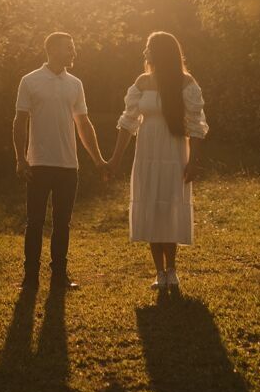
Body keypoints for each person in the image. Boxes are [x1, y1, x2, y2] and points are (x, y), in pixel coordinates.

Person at [104, 31, 209, 292]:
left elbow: (196, 125)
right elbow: (127, 123)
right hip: (147, 152)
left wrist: (193, 161)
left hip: (173, 151)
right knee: (151, 204)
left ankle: (172, 270)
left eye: (149, 48)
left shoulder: (185, 82)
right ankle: (159, 272)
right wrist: (115, 159)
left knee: (169, 205)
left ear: (160, 51)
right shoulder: (141, 82)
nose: (145, 53)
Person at [13, 31, 106, 293]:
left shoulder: (75, 84)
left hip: (68, 165)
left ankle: (59, 276)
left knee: (62, 223)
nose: (73, 52)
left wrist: (98, 159)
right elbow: (20, 122)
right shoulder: (30, 81)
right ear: (52, 49)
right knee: (35, 222)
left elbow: (83, 123)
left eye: (73, 48)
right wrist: (20, 158)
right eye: (69, 48)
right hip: (38, 164)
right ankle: (30, 278)